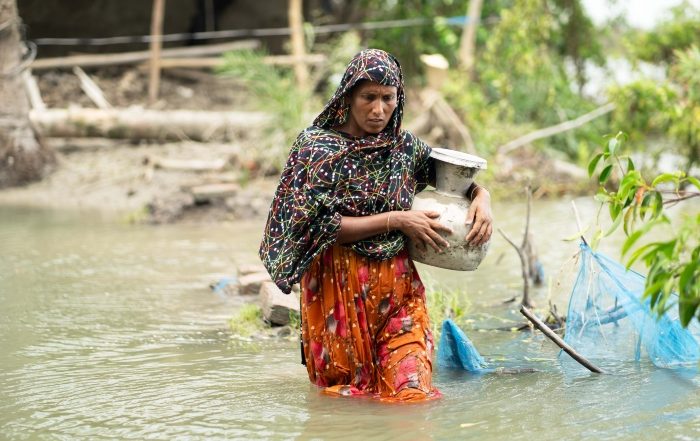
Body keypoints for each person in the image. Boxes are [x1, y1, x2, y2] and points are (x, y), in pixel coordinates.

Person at [259, 49, 493, 402]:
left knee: (412, 393)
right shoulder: (317, 149)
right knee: (345, 401)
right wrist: (396, 220)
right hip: (336, 291)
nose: (379, 109)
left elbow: (453, 180)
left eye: (388, 98)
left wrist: (482, 196)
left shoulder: (404, 148)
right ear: (348, 96)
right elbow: (318, 226)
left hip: (399, 293)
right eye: (368, 97)